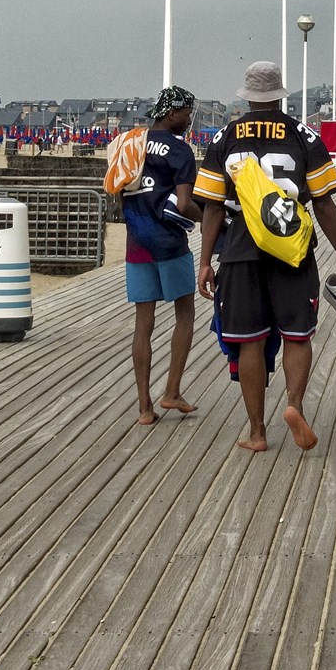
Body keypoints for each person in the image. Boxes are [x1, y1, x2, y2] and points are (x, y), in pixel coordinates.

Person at [195, 60, 336, 454]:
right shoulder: (303, 135)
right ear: (279, 95)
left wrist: (205, 261)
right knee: (296, 335)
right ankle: (294, 405)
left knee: (250, 341)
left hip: (241, 248)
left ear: (249, 97)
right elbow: (322, 202)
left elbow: (213, 208)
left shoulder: (225, 137)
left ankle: (256, 432)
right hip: (293, 247)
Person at [120, 86, 201, 425]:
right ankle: (172, 391)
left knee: (144, 324)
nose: (188, 120)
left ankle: (143, 408)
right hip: (168, 243)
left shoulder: (130, 143)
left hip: (136, 242)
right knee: (184, 312)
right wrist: (210, 217)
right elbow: (183, 204)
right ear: (172, 113)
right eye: (186, 113)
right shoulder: (180, 151)